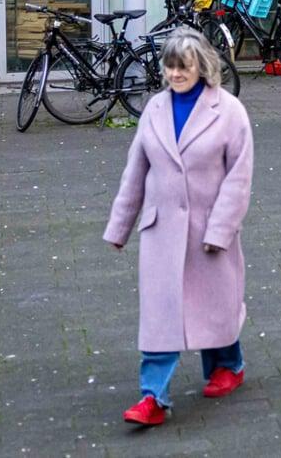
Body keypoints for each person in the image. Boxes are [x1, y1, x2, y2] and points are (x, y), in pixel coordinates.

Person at [104, 28, 254, 427]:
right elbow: (136, 170)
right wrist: (120, 226)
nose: (175, 74)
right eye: (169, 66)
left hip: (208, 230)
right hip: (162, 232)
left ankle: (228, 365)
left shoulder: (230, 111)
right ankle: (153, 396)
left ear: (202, 66)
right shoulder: (154, 109)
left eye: (183, 66)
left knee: (214, 307)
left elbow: (239, 179)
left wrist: (220, 230)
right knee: (160, 315)